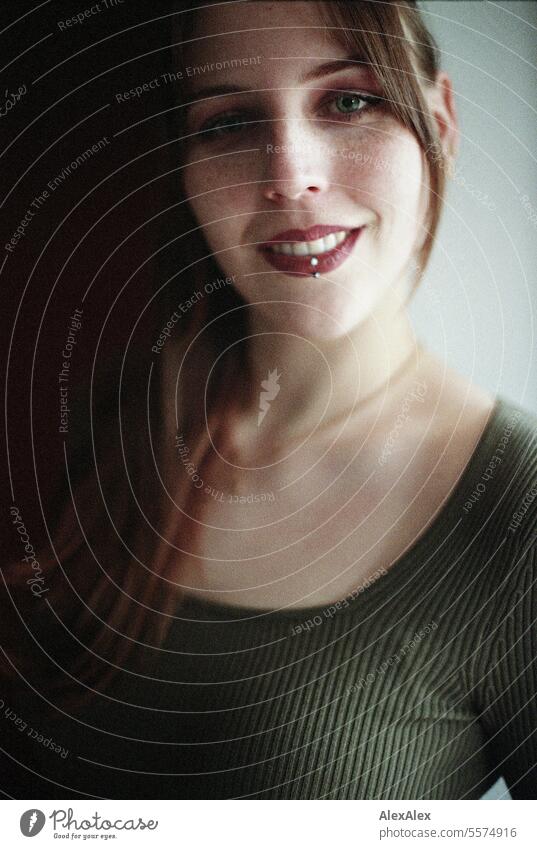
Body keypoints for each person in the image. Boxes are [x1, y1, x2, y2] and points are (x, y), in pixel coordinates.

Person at [2, 0, 536, 800]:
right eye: (229, 120)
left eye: (347, 100)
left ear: (441, 123)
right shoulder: (123, 408)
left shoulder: (517, 512)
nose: (289, 178)